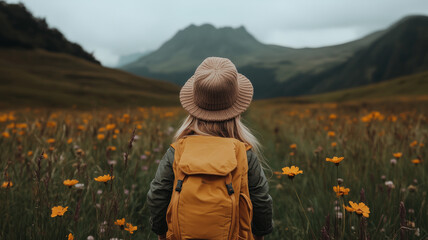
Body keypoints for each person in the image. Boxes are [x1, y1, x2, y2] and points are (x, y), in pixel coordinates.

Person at [146, 57, 273, 240]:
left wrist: (161, 233)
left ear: (193, 108)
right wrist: (261, 234)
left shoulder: (176, 151)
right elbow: (261, 201)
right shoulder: (244, 154)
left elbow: (157, 195)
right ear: (237, 110)